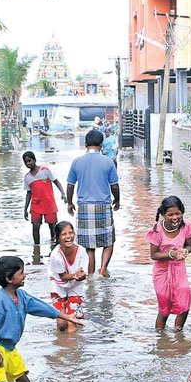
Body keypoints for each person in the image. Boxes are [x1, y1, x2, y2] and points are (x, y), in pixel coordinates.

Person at [0, 256, 83, 382]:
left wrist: (67, 317)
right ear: (9, 279)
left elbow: (42, 308)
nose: (25, 276)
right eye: (21, 273)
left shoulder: (21, 296)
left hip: (11, 349)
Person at [66, 130, 121, 277]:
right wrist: (117, 200)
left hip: (84, 206)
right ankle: (103, 268)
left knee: (89, 246)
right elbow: (114, 186)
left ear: (85, 144)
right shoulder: (108, 161)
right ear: (101, 144)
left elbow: (70, 185)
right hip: (103, 206)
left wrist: (70, 203)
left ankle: (90, 274)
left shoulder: (77, 161)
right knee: (108, 240)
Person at [146, 196, 191, 330]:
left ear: (182, 213)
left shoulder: (187, 226)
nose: (175, 218)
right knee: (164, 307)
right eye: (170, 214)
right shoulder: (157, 230)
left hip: (179, 270)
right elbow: (153, 255)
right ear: (163, 215)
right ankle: (161, 339)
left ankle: (177, 334)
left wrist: (184, 251)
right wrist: (171, 254)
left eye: (177, 214)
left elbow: (189, 246)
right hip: (161, 272)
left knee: (184, 305)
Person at [49, 221, 89, 332]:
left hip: (76, 287)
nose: (68, 236)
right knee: (61, 324)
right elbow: (62, 277)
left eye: (70, 233)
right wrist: (75, 275)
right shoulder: (55, 255)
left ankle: (71, 346)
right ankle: (61, 345)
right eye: (64, 234)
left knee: (71, 323)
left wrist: (81, 276)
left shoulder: (81, 252)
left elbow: (84, 274)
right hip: (59, 286)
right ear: (57, 238)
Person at [23, 151, 67, 247]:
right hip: (36, 205)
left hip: (49, 204)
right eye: (25, 162)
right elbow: (28, 193)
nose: (28, 164)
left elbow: (56, 182)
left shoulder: (45, 171)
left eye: (29, 161)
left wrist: (63, 194)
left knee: (52, 226)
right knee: (35, 226)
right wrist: (25, 209)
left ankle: (54, 245)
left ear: (34, 160)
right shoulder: (27, 177)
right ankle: (37, 248)